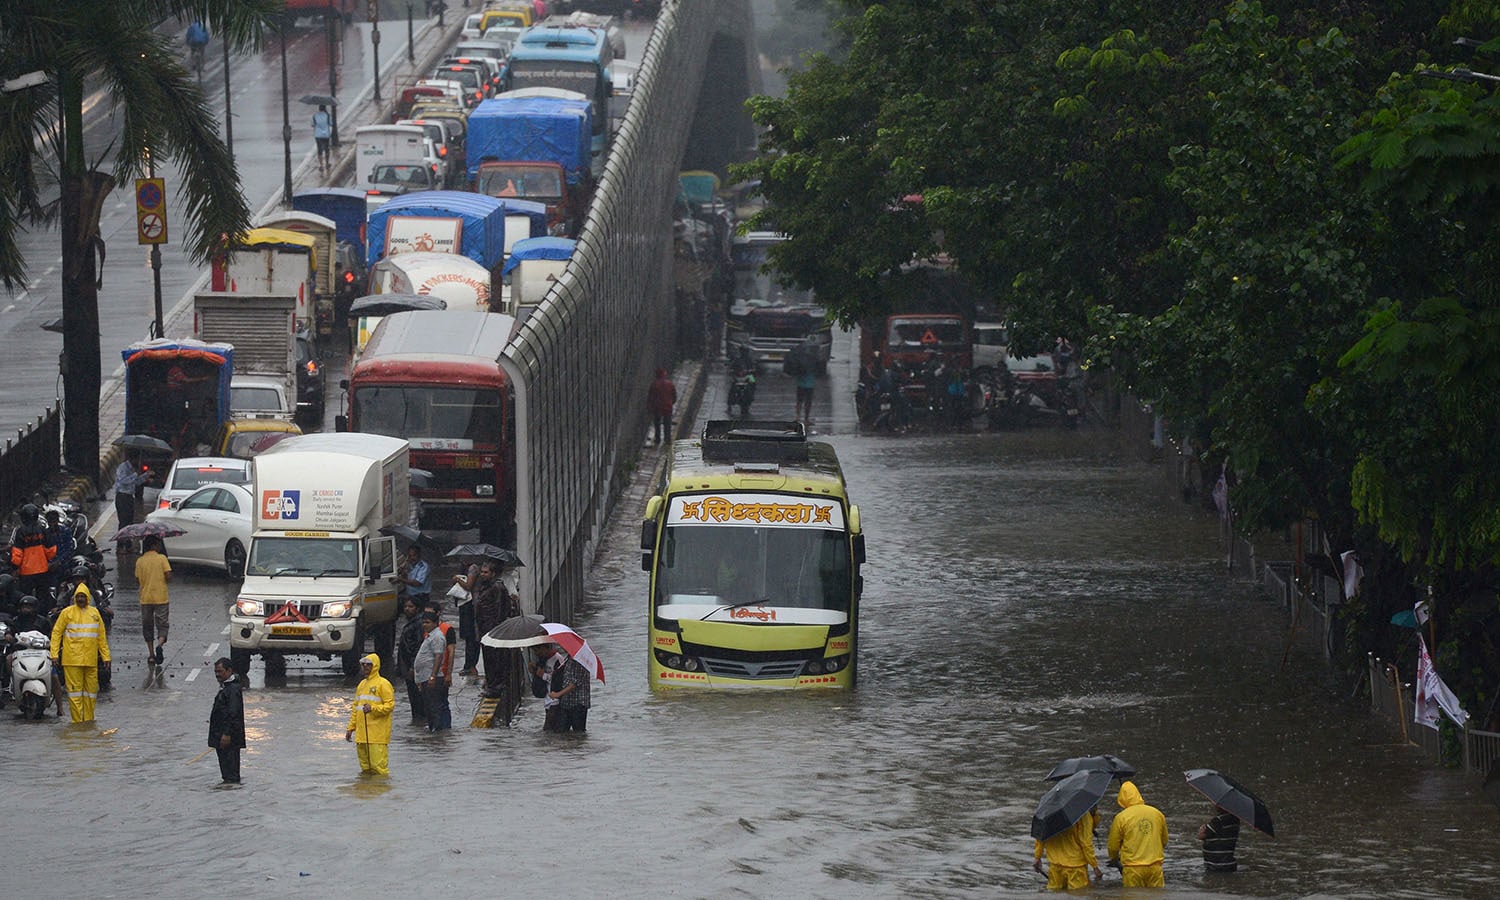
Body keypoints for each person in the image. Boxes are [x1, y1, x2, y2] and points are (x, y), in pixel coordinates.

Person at [49, 580, 111, 723]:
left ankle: (88, 721)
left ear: (87, 598)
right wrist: (54, 654)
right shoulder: (67, 613)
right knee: (75, 693)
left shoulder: (94, 613)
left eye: (83, 596)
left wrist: (106, 656)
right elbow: (56, 633)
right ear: (75, 598)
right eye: (78, 597)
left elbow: (101, 637)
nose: (81, 599)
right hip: (72, 660)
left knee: (91, 693)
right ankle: (77, 722)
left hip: (90, 660)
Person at [1106, 781, 1169, 888]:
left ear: (1121, 798)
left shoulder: (1121, 817)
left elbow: (1113, 846)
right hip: (1155, 867)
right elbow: (1164, 840)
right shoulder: (1157, 813)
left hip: (1132, 869)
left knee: (1133, 896)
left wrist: (1114, 858)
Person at [473, 562, 518, 697]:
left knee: (495, 659)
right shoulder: (485, 587)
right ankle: (492, 684)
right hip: (484, 628)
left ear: (493, 573)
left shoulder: (497, 587)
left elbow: (499, 610)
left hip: (492, 629)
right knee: (488, 658)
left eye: (486, 572)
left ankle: (496, 687)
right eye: (482, 572)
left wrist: (495, 630)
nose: (482, 574)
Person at [345, 654, 395, 775]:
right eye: (363, 664)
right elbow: (355, 708)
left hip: (377, 736)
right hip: (362, 736)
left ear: (375, 666)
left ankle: (380, 791)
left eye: (369, 664)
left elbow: (390, 706)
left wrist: (373, 708)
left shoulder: (383, 684)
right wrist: (351, 728)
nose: (366, 667)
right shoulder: (361, 685)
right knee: (365, 769)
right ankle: (366, 791)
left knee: (379, 769)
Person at [1033, 807, 1102, 890]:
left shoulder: (1048, 811)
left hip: (1055, 866)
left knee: (1054, 894)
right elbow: (1086, 844)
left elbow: (1040, 836)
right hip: (1075, 867)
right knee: (1078, 894)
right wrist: (1095, 866)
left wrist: (1037, 857)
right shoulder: (1082, 814)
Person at [135, 536, 173, 665]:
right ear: (154, 546)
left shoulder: (140, 561)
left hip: (145, 598)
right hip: (161, 597)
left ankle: (151, 654)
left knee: (148, 626)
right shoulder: (162, 558)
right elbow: (168, 576)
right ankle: (160, 644)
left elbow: (137, 579)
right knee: (162, 624)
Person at [208, 657, 245, 784]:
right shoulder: (226, 687)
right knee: (226, 773)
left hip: (229, 738)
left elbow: (233, 713)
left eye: (220, 671)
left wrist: (227, 734)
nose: (217, 675)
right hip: (222, 735)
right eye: (216, 672)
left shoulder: (233, 689)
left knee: (231, 774)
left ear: (229, 671)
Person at [8, 503, 56, 602]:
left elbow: (17, 553)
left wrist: (15, 567)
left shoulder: (20, 531)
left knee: (26, 597)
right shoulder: (43, 529)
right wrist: (47, 560)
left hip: (26, 572)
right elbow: (51, 550)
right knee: (42, 596)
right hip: (43, 569)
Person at [413, 610, 449, 732]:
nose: (424, 625)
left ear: (435, 623)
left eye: (427, 622)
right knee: (428, 707)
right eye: (423, 622)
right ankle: (433, 730)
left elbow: (438, 656)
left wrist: (433, 676)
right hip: (425, 677)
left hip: (431, 678)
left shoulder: (437, 637)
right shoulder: (430, 636)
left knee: (434, 707)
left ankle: (437, 732)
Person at [396, 597, 427, 725]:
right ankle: (417, 723)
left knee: (417, 698)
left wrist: (413, 667)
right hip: (407, 665)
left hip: (413, 667)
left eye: (411, 607)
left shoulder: (418, 624)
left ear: (417, 608)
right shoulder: (411, 623)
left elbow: (417, 647)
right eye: (406, 607)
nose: (407, 609)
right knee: (414, 698)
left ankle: (421, 722)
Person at [550, 648, 592, 733]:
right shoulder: (569, 658)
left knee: (578, 733)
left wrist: (558, 694)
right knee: (562, 732)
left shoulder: (579, 661)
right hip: (568, 702)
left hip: (578, 704)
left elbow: (573, 685)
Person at [451, 560, 481, 675]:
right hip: (464, 605)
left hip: (471, 606)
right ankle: (469, 665)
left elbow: (468, 586)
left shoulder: (473, 568)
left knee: (472, 637)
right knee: (468, 637)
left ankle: (471, 665)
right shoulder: (464, 569)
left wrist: (458, 579)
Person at [113, 454, 147, 554]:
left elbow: (135, 482)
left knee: (129, 523)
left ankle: (128, 546)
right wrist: (135, 474)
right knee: (123, 522)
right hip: (122, 497)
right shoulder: (123, 467)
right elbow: (123, 481)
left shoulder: (132, 469)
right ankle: (120, 546)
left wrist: (145, 476)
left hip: (129, 497)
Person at [1197, 805, 1240, 873]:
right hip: (1229, 864)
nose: (1215, 805)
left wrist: (1202, 828)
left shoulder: (1218, 821)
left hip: (1215, 865)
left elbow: (1201, 836)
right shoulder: (1235, 820)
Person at [532, 642, 564, 732]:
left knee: (547, 730)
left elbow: (560, 680)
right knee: (551, 731)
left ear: (544, 648)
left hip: (556, 700)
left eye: (537, 651)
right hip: (547, 699)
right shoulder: (542, 660)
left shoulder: (558, 659)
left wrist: (542, 675)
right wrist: (534, 671)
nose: (536, 654)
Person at [647, 367, 676, 445]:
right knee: (667, 424)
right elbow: (674, 396)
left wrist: (650, 407)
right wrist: (671, 403)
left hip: (657, 407)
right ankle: (667, 439)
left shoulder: (654, 385)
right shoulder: (669, 384)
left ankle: (658, 439)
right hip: (667, 407)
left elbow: (651, 397)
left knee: (657, 423)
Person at [397, 545, 431, 609]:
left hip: (421, 597)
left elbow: (417, 583)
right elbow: (406, 582)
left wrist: (400, 579)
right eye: (410, 556)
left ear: (419, 555)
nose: (412, 558)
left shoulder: (423, 566)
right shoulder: (410, 566)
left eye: (414, 555)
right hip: (410, 596)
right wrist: (402, 572)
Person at [312, 104, 333, 171]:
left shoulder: (315, 116)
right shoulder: (328, 115)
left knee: (319, 150)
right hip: (326, 135)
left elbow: (312, 124)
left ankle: (321, 165)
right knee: (327, 149)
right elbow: (331, 123)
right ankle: (327, 163)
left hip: (318, 135)